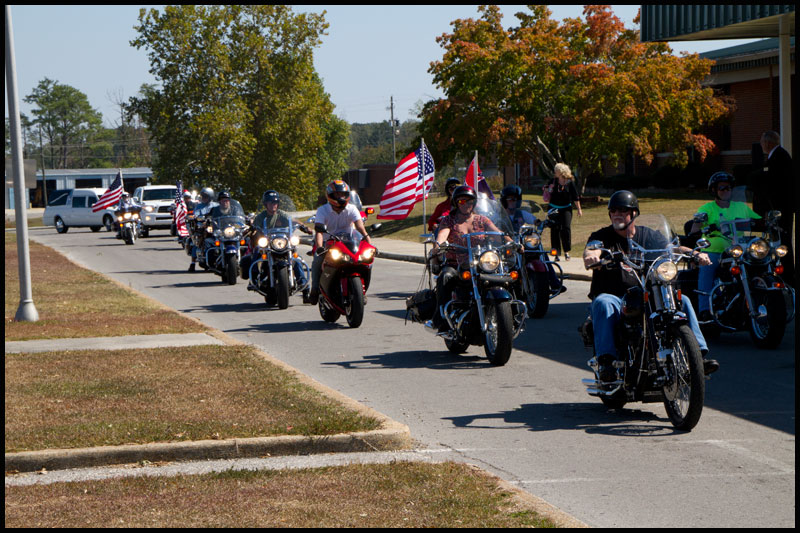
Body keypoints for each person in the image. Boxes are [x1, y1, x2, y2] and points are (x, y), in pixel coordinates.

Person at [583, 190, 719, 378]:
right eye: (613, 210)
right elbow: (592, 249)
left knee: (684, 301)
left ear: (634, 214)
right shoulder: (602, 236)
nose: (617, 214)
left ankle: (698, 357)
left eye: (622, 210)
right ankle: (607, 362)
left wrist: (694, 254)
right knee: (603, 303)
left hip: (647, 292)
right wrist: (592, 257)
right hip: (616, 295)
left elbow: (672, 247)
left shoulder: (648, 235)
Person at [428, 185, 510, 331]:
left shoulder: (482, 220)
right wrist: (438, 245)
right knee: (446, 276)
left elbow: (498, 234)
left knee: (505, 275)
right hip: (456, 263)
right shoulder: (449, 220)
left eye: (469, 201)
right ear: (456, 203)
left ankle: (510, 312)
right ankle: (440, 317)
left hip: (481, 262)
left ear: (474, 203)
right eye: (461, 201)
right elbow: (442, 235)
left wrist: (512, 243)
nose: (465, 204)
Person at [689, 172, 761, 321]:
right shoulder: (707, 208)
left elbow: (759, 222)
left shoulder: (741, 207)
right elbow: (694, 230)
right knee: (707, 268)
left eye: (728, 188)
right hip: (713, 251)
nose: (725, 191)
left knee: (759, 263)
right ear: (714, 190)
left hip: (738, 250)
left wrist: (770, 221)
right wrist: (705, 226)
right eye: (721, 188)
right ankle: (705, 311)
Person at [308, 180, 372, 305]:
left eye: (343, 194)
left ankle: (362, 292)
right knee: (317, 260)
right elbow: (319, 231)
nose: (340, 197)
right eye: (337, 195)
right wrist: (320, 247)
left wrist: (368, 241)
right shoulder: (323, 210)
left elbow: (360, 228)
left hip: (349, 242)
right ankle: (314, 289)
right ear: (330, 195)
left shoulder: (352, 208)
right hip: (328, 243)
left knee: (367, 262)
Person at [241, 190, 313, 302]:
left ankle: (305, 288)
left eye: (275, 202)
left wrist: (304, 227)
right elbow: (255, 227)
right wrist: (252, 229)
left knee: (296, 258)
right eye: (271, 202)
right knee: (256, 252)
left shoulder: (281, 214)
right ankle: (254, 279)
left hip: (282, 242)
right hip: (268, 244)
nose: (273, 205)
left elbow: (293, 221)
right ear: (266, 204)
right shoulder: (261, 217)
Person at [753, 131, 794, 284]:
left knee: (783, 240)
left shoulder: (779, 158)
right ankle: (782, 270)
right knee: (778, 240)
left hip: (780, 209)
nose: (761, 145)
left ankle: (787, 274)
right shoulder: (778, 156)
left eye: (762, 142)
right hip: (778, 209)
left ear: (768, 143)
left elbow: (777, 186)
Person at [543, 163, 583, 260]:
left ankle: (566, 251)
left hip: (566, 208)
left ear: (560, 171)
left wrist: (579, 209)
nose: (554, 172)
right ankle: (556, 252)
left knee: (566, 228)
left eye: (556, 170)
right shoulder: (553, 181)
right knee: (555, 229)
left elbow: (575, 196)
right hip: (553, 208)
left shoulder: (570, 182)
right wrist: (548, 189)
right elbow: (546, 190)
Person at [187, 187, 217, 272]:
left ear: (210, 196)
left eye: (205, 196)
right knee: (197, 241)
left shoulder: (216, 205)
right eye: (202, 196)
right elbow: (195, 215)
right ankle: (193, 263)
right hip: (202, 227)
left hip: (215, 227)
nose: (203, 198)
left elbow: (221, 214)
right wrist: (196, 218)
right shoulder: (199, 206)